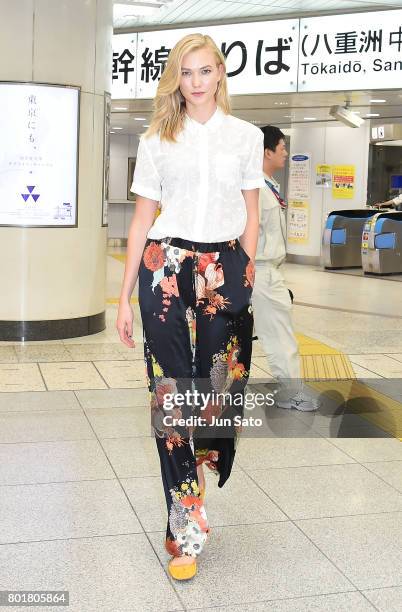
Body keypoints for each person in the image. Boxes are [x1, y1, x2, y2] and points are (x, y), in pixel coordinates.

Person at [116, 33, 264, 580]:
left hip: (223, 268)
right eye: (186, 73)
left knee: (218, 392)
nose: (196, 82)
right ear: (176, 79)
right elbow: (140, 221)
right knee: (172, 392)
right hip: (165, 268)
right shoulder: (157, 139)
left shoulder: (245, 138)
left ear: (221, 74)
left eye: (205, 71)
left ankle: (195, 478)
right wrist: (126, 294)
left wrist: (242, 273)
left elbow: (252, 212)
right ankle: (186, 523)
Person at [252, 125, 319, 412]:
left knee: (263, 331)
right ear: (267, 151)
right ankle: (292, 392)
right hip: (261, 271)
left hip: (267, 270)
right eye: (282, 148)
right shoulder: (254, 189)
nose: (286, 153)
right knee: (280, 333)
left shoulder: (268, 187)